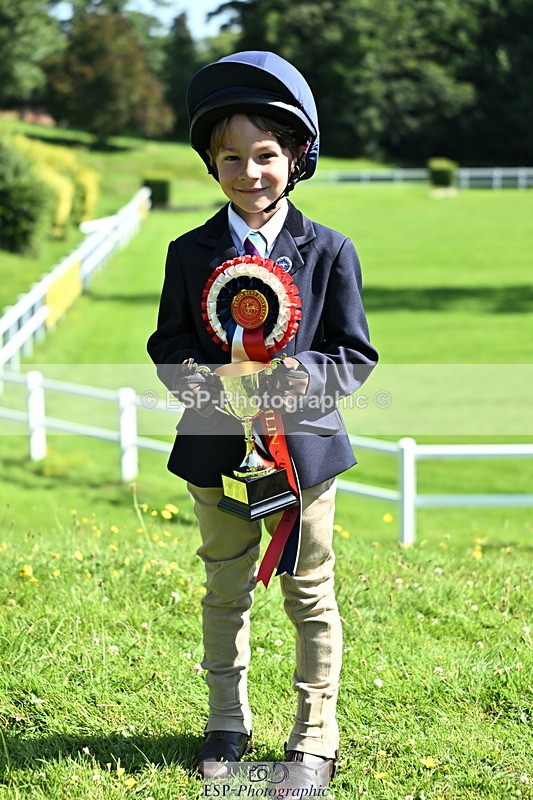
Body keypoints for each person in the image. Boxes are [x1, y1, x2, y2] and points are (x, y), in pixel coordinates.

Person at [147, 51, 378, 788]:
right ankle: (225, 724)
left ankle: (313, 736)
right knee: (224, 589)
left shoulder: (331, 250)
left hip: (301, 459)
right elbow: (169, 346)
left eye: (266, 156)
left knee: (308, 593)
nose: (250, 173)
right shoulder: (188, 254)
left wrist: (293, 378)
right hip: (216, 454)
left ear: (296, 157)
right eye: (232, 158)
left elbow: (353, 354)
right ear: (212, 165)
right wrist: (211, 384)